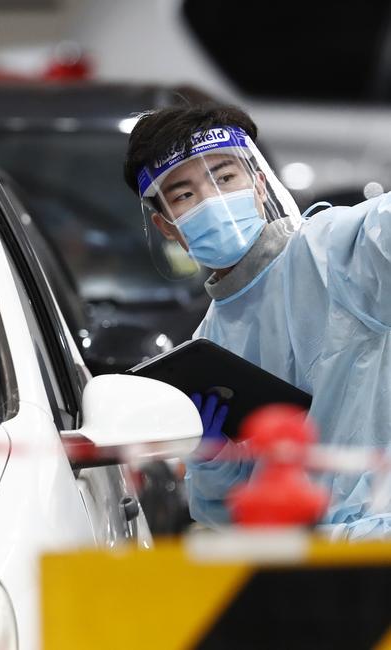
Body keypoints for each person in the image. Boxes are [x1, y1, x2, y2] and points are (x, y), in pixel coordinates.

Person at [124, 101, 391, 539]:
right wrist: (214, 459)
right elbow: (226, 516)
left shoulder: (336, 252)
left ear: (259, 184)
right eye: (184, 195)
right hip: (298, 566)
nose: (212, 200)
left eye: (225, 177)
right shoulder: (207, 345)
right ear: (167, 226)